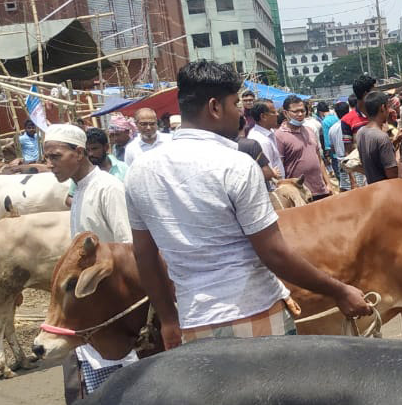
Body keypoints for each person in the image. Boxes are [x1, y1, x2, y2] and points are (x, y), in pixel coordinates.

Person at [125, 60, 371, 347]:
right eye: (234, 105)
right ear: (215, 107)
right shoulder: (236, 165)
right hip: (255, 316)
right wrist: (340, 291)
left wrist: (168, 320)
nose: (241, 114)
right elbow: (274, 253)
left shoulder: (139, 172)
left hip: (193, 324)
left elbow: (144, 255)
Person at [42, 123, 135, 402]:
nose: (49, 164)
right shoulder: (80, 190)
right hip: (89, 307)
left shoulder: (108, 188)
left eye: (55, 156)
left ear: (79, 153)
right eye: (47, 157)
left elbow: (128, 249)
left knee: (119, 392)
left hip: (109, 307)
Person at [276, 95, 334, 200]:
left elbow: (319, 160)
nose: (300, 114)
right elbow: (279, 166)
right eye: (296, 111)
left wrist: (328, 183)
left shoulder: (309, 130)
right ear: (285, 113)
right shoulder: (279, 135)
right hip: (299, 194)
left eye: (302, 111)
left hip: (320, 189)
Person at [354, 91, 397, 184]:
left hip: (372, 187)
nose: (389, 110)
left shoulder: (360, 132)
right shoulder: (381, 137)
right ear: (382, 108)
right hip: (386, 191)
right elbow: (392, 175)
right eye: (388, 106)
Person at [246, 101, 284, 188]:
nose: (277, 114)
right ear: (263, 116)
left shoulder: (270, 133)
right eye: (273, 112)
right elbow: (270, 174)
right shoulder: (261, 140)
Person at [327, 102, 349, 191]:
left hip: (340, 161)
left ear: (336, 113)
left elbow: (332, 148)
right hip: (353, 160)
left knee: (345, 188)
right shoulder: (351, 125)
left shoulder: (332, 129)